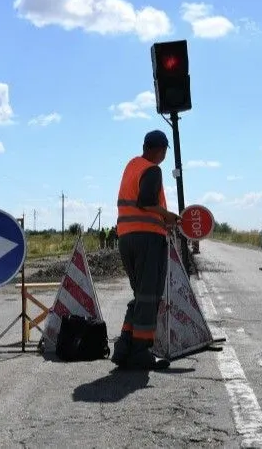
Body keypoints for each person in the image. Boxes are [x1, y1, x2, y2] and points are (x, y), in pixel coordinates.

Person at [111, 129, 181, 370]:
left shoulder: (132, 165)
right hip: (147, 239)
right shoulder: (152, 169)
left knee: (141, 295)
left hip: (126, 238)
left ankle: (125, 347)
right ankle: (141, 351)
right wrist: (168, 216)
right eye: (164, 151)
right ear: (160, 149)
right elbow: (146, 202)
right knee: (150, 296)